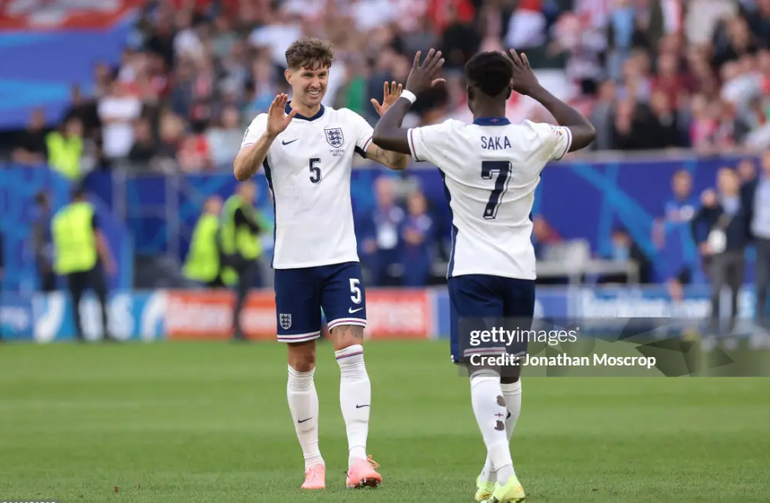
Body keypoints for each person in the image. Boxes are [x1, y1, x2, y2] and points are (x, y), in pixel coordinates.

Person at [372, 48, 595, 503]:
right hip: (520, 270)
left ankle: (506, 473)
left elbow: (383, 135)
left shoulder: (451, 136)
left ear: (469, 93)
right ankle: (493, 474)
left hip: (474, 268)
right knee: (509, 376)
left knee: (482, 369)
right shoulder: (534, 136)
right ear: (511, 92)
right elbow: (586, 130)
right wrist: (537, 90)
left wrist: (411, 90)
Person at [232, 37, 409, 490]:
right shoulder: (266, 122)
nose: (316, 82)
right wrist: (271, 134)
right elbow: (240, 171)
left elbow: (395, 162)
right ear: (289, 76)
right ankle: (313, 462)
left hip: (340, 259)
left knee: (351, 350)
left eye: (322, 74)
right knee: (302, 361)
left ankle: (357, 460)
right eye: (307, 74)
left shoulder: (346, 122)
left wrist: (393, 123)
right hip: (293, 263)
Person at [51, 185, 117, 341]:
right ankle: (105, 331)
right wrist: (107, 260)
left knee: (76, 299)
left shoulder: (60, 217)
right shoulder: (87, 212)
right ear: (83, 196)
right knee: (101, 295)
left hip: (69, 264)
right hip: (88, 261)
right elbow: (97, 237)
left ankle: (79, 333)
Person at [691, 168, 750, 335]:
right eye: (721, 179)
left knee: (735, 293)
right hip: (719, 255)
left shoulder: (744, 200)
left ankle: (732, 329)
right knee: (716, 291)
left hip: (738, 252)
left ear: (736, 180)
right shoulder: (714, 202)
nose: (724, 183)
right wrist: (700, 243)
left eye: (728, 178)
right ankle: (713, 329)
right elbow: (694, 221)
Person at [219, 182, 265, 340]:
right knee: (241, 292)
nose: (253, 195)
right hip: (242, 255)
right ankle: (236, 329)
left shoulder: (236, 206)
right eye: (251, 192)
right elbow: (256, 227)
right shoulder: (240, 207)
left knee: (241, 293)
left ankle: (237, 328)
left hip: (240, 254)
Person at [183, 195, 224, 289]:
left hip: (199, 271)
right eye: (216, 205)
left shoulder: (202, 222)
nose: (219, 207)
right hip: (207, 272)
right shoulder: (213, 224)